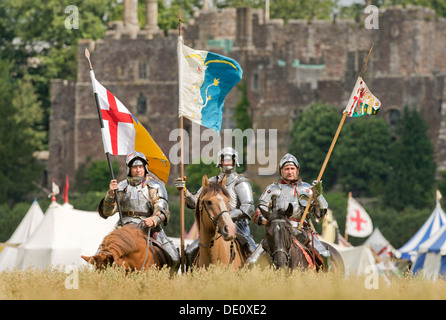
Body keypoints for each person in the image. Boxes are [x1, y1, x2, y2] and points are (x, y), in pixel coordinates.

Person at [98, 151, 180, 272]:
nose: (138, 170)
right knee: (100, 255)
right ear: (129, 169)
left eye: (140, 167)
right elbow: (107, 212)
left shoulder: (155, 186)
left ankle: (169, 285)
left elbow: (162, 210)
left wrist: (153, 219)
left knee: (174, 258)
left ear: (145, 168)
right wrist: (110, 195)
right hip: (123, 227)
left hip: (149, 227)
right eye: (134, 167)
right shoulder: (120, 187)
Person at [175, 147, 256, 267]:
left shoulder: (241, 182)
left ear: (235, 162)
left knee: (252, 254)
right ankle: (190, 280)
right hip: (214, 226)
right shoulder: (212, 182)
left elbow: (248, 208)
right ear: (220, 162)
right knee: (189, 252)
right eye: (225, 160)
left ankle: (254, 281)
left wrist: (227, 217)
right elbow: (195, 203)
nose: (227, 163)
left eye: (230, 160)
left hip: (237, 226)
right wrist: (185, 191)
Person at [248, 153, 330, 265]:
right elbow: (258, 214)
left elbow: (319, 217)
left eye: (292, 168)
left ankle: (328, 280)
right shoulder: (272, 189)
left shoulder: (306, 189)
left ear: (297, 170)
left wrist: (318, 196)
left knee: (324, 255)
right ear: (281, 171)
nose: (290, 171)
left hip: (302, 231)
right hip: (277, 232)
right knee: (252, 261)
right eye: (286, 169)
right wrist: (274, 223)